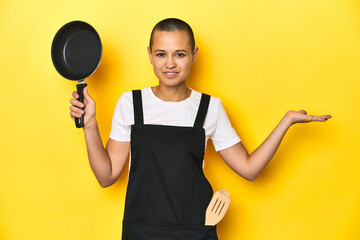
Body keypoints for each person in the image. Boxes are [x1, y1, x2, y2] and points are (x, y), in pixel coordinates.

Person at [69, 18, 331, 240]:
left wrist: (286, 121)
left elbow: (250, 169)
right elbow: (107, 177)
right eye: (161, 54)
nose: (170, 63)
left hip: (195, 230)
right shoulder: (131, 103)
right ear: (150, 55)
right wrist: (90, 124)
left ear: (194, 54)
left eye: (179, 54)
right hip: (141, 231)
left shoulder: (209, 108)